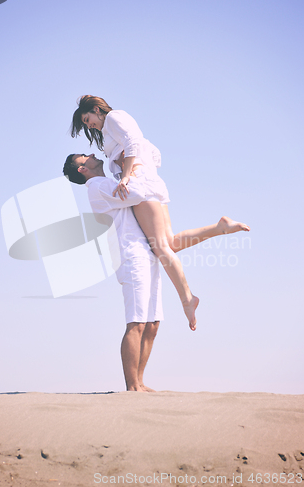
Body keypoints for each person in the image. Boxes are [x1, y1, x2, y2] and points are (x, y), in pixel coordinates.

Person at [63, 152, 250, 391]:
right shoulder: (98, 186)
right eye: (85, 157)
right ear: (82, 169)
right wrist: (134, 168)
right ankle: (132, 386)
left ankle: (140, 382)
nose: (91, 155)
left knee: (152, 324)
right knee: (137, 323)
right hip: (131, 256)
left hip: (146, 251)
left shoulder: (107, 182)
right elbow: (139, 193)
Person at [70, 96, 250, 332]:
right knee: (169, 243)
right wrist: (140, 168)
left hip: (139, 182)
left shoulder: (114, 117)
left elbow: (134, 141)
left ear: (96, 110)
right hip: (147, 180)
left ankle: (187, 299)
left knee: (161, 247)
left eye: (88, 119)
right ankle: (220, 227)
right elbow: (151, 151)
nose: (89, 125)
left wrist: (128, 174)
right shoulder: (110, 130)